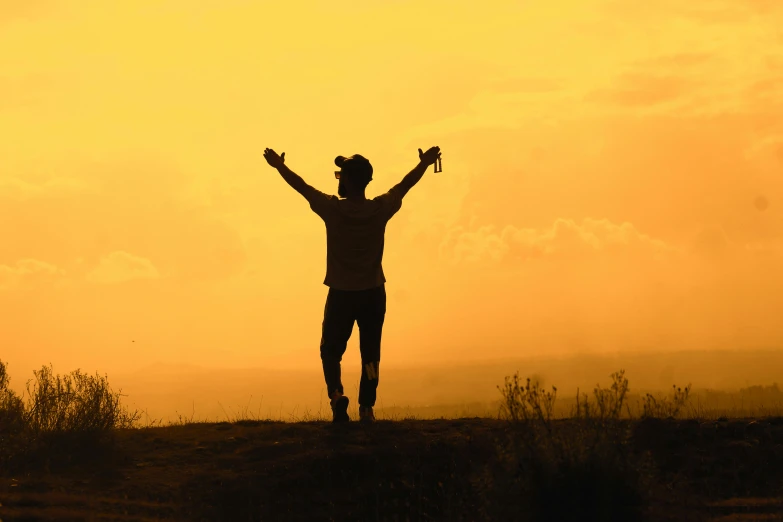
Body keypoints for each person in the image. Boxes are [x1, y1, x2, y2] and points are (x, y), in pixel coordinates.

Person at [262, 145, 442, 423]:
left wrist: (279, 167)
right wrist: (425, 164)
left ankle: (336, 395)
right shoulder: (380, 209)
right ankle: (367, 408)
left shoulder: (332, 209)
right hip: (373, 292)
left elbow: (302, 187)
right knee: (370, 355)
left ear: (347, 180)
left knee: (330, 351)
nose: (338, 180)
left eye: (340, 175)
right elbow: (404, 185)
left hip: (341, 293)